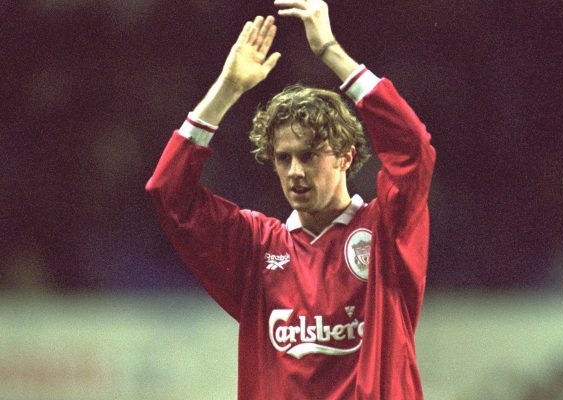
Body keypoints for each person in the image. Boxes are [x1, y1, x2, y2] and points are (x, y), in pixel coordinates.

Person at [146, 1, 436, 398]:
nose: (295, 171)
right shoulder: (257, 248)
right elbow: (170, 194)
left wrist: (330, 50)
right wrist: (226, 90)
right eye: (284, 158)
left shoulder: (386, 231)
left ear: (346, 156)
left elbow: (413, 149)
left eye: (309, 155)